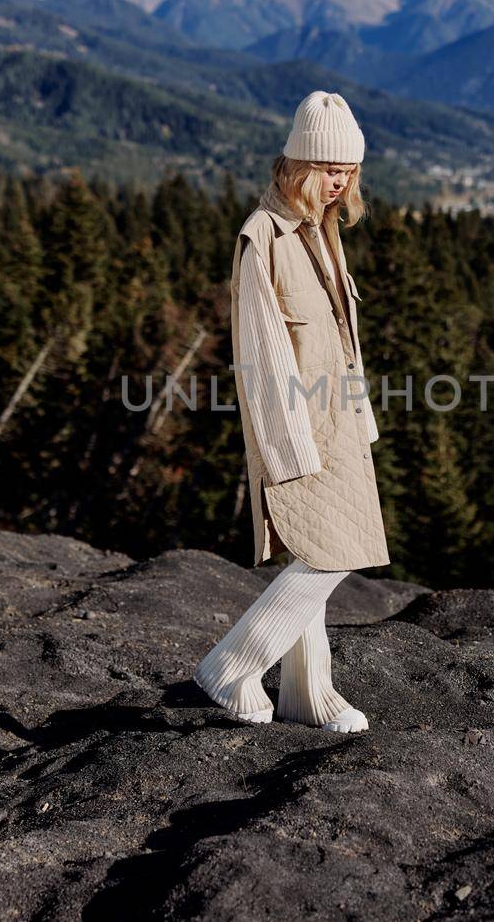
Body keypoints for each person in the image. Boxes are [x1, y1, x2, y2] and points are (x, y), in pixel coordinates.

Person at [193, 91, 390, 734]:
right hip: (300, 430)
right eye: (333, 169)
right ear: (300, 164)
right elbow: (263, 354)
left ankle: (309, 692)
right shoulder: (263, 239)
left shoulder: (323, 235)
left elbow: (341, 339)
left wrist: (360, 418)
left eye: (350, 172)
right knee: (330, 552)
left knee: (320, 548)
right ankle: (233, 664)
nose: (342, 183)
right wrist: (289, 444)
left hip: (338, 426)